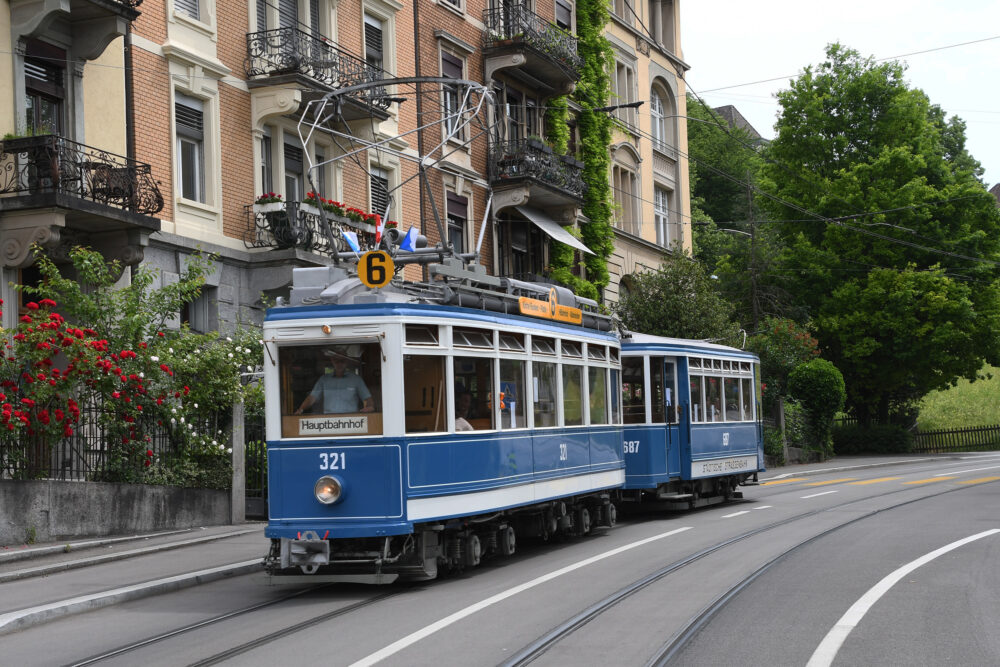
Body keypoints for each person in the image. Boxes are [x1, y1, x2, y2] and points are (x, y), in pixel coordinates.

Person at [294, 347, 373, 414]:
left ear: (347, 361)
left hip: (351, 422)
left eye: (342, 361)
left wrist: (370, 407)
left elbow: (367, 398)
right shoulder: (323, 380)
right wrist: (301, 409)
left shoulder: (356, 380)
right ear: (332, 361)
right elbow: (312, 398)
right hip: (329, 423)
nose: (339, 363)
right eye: (336, 361)